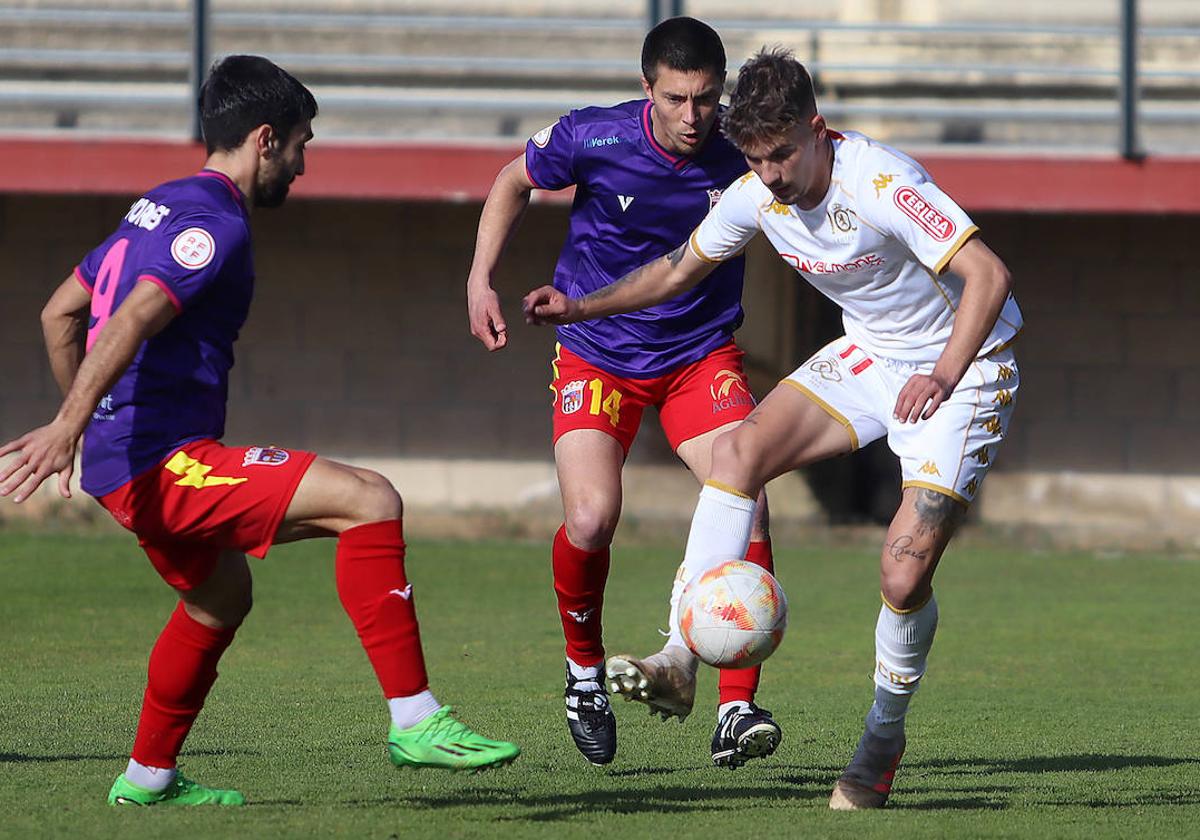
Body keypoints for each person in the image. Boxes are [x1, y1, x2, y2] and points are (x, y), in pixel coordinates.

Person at [0, 55, 518, 807]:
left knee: (220, 597)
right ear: (266, 139)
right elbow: (141, 312)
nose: (304, 166)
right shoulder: (214, 225)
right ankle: (416, 719)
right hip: (159, 463)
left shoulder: (158, 203)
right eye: (303, 145)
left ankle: (148, 779)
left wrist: (91, 428)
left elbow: (60, 313)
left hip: (128, 461)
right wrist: (69, 425)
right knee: (370, 498)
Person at [522, 47, 1022, 809]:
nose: (772, 174)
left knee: (902, 573)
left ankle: (882, 739)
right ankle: (680, 659)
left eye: (783, 153)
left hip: (965, 368)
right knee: (740, 450)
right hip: (872, 357)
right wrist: (581, 307)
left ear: (817, 129)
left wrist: (944, 375)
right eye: (756, 158)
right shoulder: (756, 192)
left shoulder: (884, 182)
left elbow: (987, 274)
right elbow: (677, 270)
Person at [466, 17, 782, 769]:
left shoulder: (741, 150)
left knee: (751, 495)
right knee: (593, 515)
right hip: (598, 356)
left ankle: (735, 709)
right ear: (648, 89)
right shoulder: (593, 137)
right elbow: (513, 180)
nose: (692, 117)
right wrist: (481, 277)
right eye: (676, 98)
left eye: (707, 99)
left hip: (698, 358)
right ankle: (583, 676)